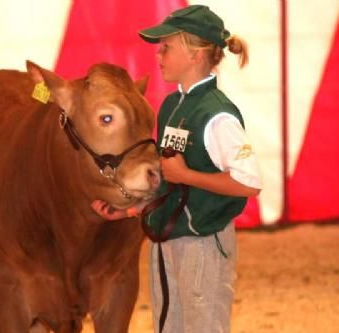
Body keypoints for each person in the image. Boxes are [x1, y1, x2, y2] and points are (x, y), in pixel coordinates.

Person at [90, 4, 262, 333]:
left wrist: (188, 175)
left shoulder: (218, 114)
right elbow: (171, 183)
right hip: (168, 239)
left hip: (204, 241)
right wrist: (129, 210)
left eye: (167, 47)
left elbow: (248, 182)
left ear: (196, 54)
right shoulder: (172, 105)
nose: (159, 55)